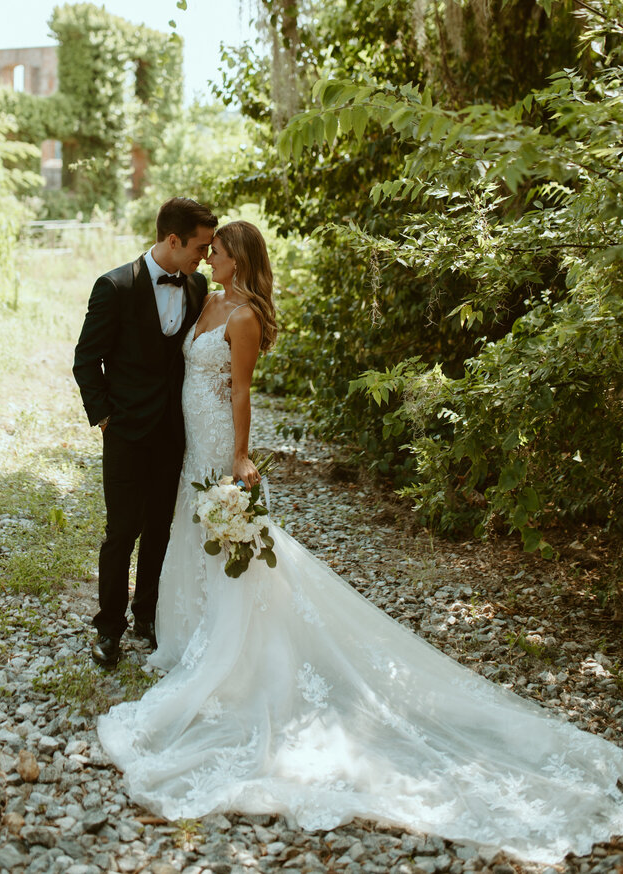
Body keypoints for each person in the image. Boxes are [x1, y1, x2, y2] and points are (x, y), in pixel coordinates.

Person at [96, 220, 623, 863]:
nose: (210, 253)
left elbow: (241, 390)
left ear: (238, 258)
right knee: (190, 534)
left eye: (219, 248)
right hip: (184, 443)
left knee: (232, 545)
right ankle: (187, 635)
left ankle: (235, 655)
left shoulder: (245, 319)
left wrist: (238, 454)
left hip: (215, 445)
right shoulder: (206, 297)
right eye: (208, 246)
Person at [73, 196, 217, 669]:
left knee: (160, 530)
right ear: (172, 240)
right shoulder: (114, 286)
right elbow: (85, 360)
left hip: (175, 433)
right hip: (127, 432)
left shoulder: (196, 286)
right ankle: (108, 627)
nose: (205, 257)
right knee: (121, 532)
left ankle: (147, 615)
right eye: (200, 246)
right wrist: (106, 417)